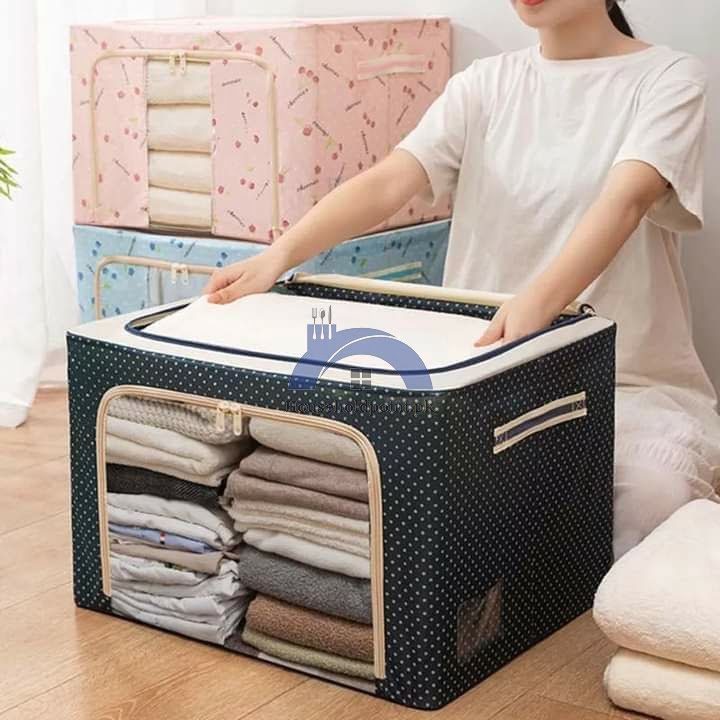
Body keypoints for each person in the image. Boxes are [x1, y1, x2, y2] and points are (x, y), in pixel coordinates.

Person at [204, 0, 720, 559]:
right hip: (484, 380)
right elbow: (390, 181)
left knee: (648, 500)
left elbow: (626, 200)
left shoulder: (669, 78)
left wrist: (538, 306)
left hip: (626, 385)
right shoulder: (485, 83)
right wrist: (278, 256)